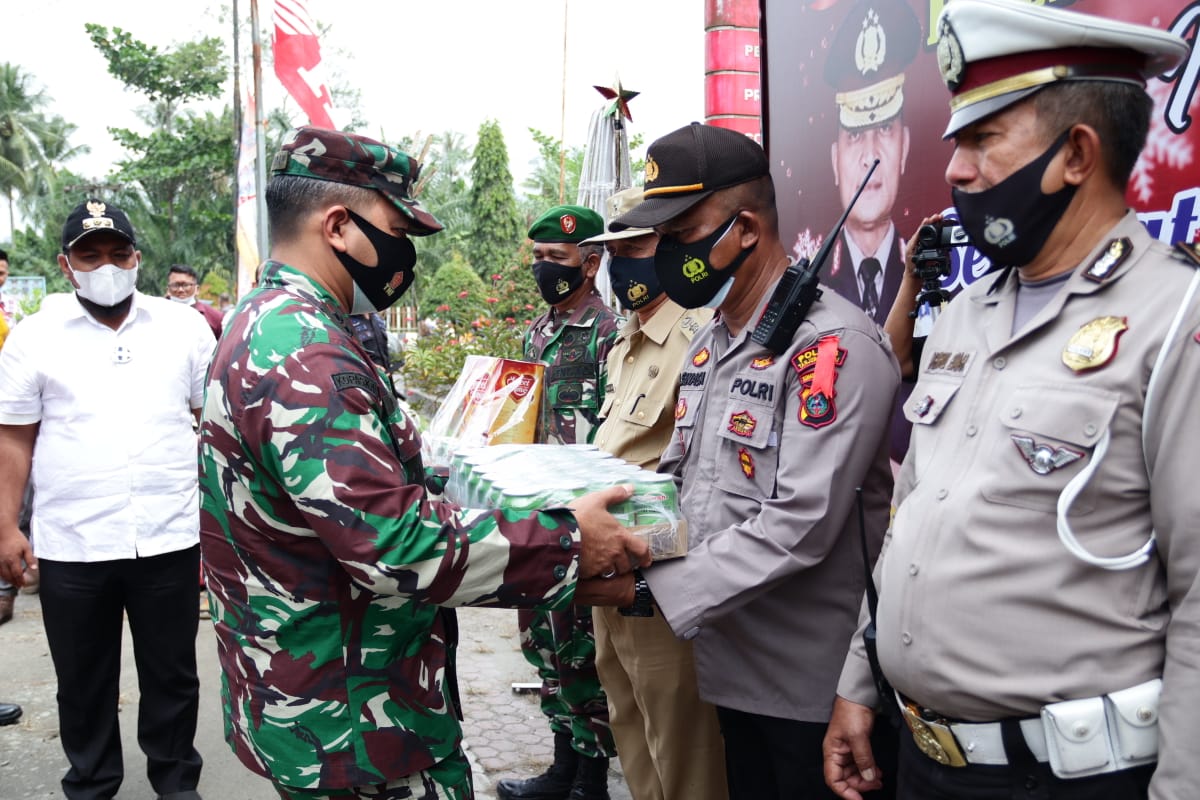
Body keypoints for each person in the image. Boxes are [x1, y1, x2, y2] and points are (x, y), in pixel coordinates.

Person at [198, 126, 649, 800]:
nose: (405, 251)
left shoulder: (265, 321)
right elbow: (395, 546)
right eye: (397, 227)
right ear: (340, 226)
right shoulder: (304, 352)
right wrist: (569, 543)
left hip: (317, 695)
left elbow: (369, 496)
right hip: (356, 723)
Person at [822, 3, 1197, 799]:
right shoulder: (965, 312)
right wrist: (861, 679)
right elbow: (916, 516)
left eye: (982, 139)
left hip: (1072, 778)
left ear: (1077, 154)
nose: (955, 169)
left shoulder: (1175, 320)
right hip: (922, 761)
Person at [601, 122, 901, 799]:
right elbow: (684, 483)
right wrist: (608, 538)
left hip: (812, 689)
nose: (666, 255)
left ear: (742, 228)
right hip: (728, 666)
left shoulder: (831, 345)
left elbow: (800, 522)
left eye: (681, 235)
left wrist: (648, 589)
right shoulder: (714, 340)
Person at [0, 199, 214, 800]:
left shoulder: (184, 327)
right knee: (83, 681)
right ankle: (92, 785)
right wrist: (4, 529)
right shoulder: (35, 337)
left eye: (118, 254)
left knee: (173, 676)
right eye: (90, 256)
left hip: (168, 534)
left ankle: (176, 784)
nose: (106, 267)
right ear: (67, 266)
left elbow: (211, 423)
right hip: (74, 541)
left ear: (137, 258)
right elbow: (13, 439)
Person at [583, 187, 726, 800]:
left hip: (661, 584)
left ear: (671, 248)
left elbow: (704, 481)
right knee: (631, 731)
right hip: (608, 580)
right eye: (614, 251)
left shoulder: (700, 336)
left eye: (636, 248)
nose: (623, 264)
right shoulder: (628, 338)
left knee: (684, 754)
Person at [496, 205, 622, 800]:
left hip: (585, 518)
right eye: (539, 258)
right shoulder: (536, 332)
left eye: (558, 259)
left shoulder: (608, 334)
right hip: (537, 510)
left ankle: (591, 779)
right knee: (542, 643)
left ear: (591, 263)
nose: (544, 269)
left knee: (582, 651)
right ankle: (561, 768)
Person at [821, 0, 919, 329]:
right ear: (835, 160)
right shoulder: (813, 278)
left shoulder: (925, 267)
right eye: (855, 135)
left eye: (885, 129)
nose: (870, 155)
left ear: (904, 147)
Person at [167, 264, 224, 339]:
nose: (180, 290)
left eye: (185, 285)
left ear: (197, 289)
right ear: (168, 289)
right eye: (175, 285)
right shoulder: (156, 313)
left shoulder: (214, 317)